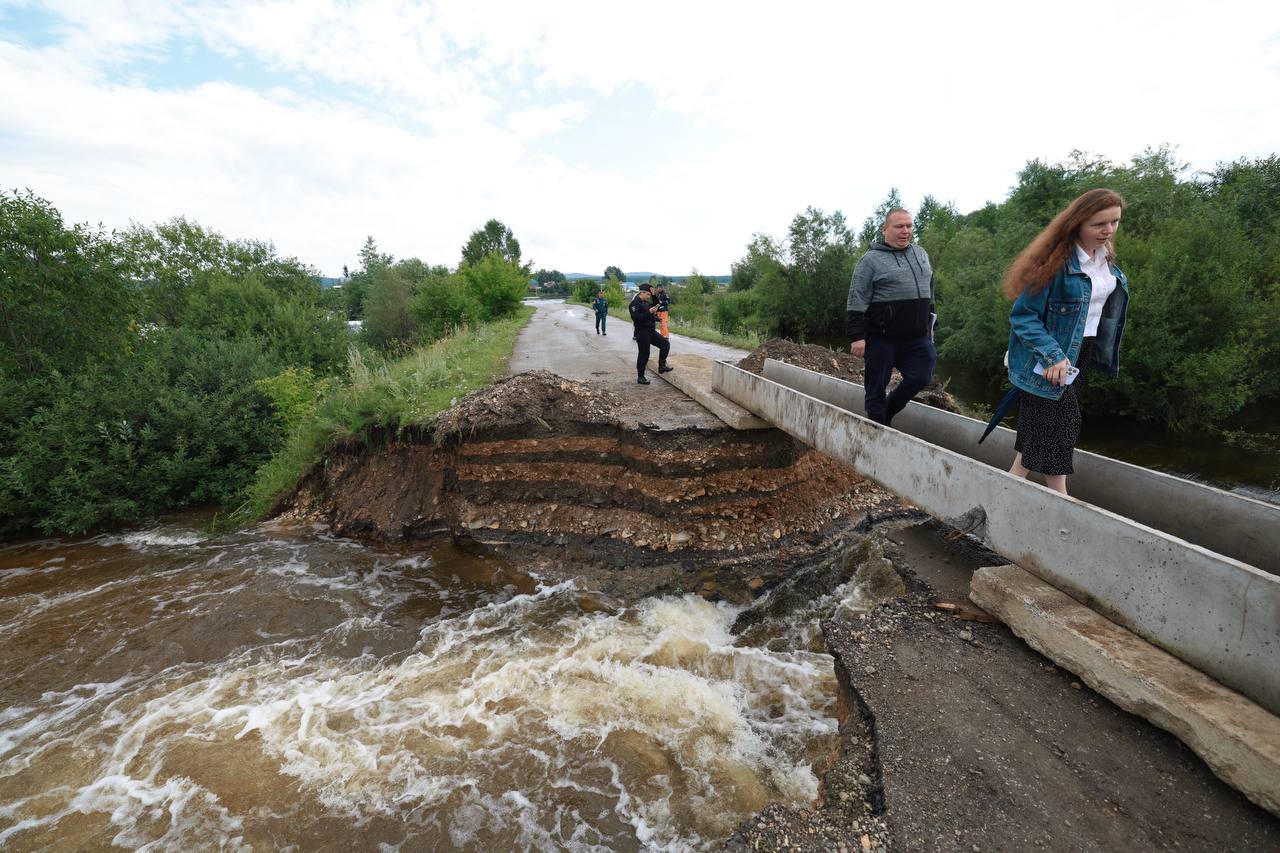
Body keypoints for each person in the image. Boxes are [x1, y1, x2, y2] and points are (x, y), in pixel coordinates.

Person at [1003, 188, 1129, 495]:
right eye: (1100, 223)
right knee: (1065, 424)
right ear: (1078, 223)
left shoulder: (1105, 259)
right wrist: (1053, 357)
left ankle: (1006, 488)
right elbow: (1023, 316)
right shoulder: (1054, 264)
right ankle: (1061, 500)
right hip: (1048, 358)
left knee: (1037, 432)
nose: (1108, 230)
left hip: (1080, 354)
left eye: (1114, 222)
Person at [846, 208, 936, 426]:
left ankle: (888, 411)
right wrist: (857, 335)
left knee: (922, 377)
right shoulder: (870, 260)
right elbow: (856, 297)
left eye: (909, 226)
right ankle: (877, 428)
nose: (905, 231)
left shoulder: (920, 253)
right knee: (876, 387)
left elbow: (929, 288)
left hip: (916, 336)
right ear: (885, 229)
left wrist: (931, 317)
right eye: (899, 226)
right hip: (881, 337)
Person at [629, 289, 670, 384]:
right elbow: (636, 318)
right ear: (641, 292)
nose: (648, 296)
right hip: (642, 332)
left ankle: (662, 367)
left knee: (665, 344)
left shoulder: (645, 302)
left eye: (649, 295)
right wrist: (649, 312)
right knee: (644, 354)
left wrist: (656, 318)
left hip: (651, 331)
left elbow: (656, 304)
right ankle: (641, 377)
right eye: (647, 294)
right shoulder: (634, 304)